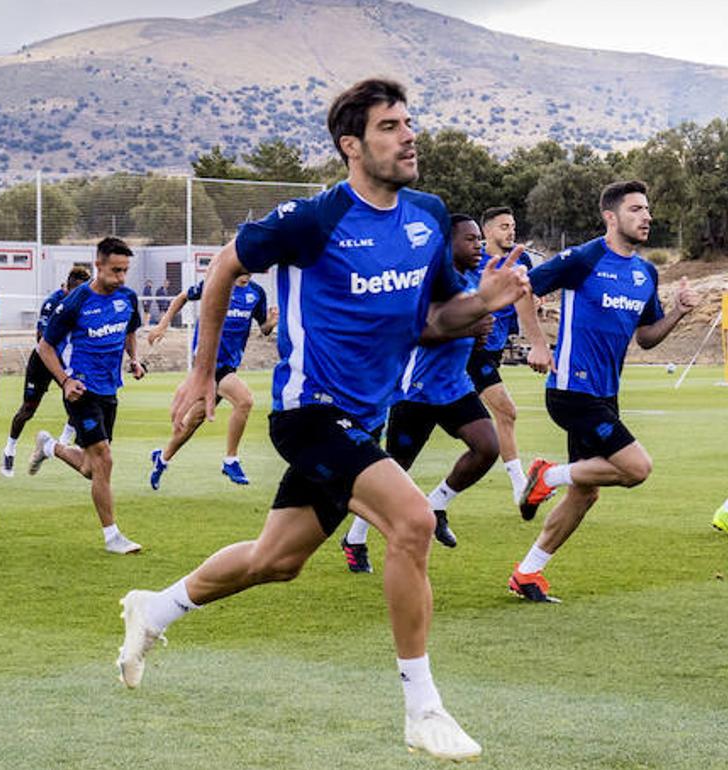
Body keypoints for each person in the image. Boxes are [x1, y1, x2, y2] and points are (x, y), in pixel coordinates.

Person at [113, 79, 529, 762]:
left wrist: (485, 300)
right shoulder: (314, 218)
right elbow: (224, 267)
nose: (409, 135)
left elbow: (435, 321)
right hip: (309, 414)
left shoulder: (428, 216)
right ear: (352, 145)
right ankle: (423, 709)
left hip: (362, 421)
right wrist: (200, 370)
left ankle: (153, 609)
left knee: (275, 561)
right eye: (391, 126)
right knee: (414, 520)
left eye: (409, 122)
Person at [510, 180, 699, 602]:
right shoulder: (583, 258)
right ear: (610, 217)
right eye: (636, 209)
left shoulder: (646, 273)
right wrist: (539, 344)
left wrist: (680, 313)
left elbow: (647, 337)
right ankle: (547, 474)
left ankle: (527, 573)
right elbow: (522, 288)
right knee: (636, 468)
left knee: (587, 492)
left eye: (647, 209)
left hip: (605, 394)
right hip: (571, 390)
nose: (647, 216)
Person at [340, 215, 500, 572]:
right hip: (416, 390)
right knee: (394, 469)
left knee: (488, 446)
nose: (479, 245)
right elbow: (421, 333)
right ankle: (354, 538)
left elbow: (471, 334)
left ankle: (438, 503)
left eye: (480, 240)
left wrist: (480, 335)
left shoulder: (474, 281)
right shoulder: (427, 281)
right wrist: (470, 327)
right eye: (471, 239)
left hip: (455, 387)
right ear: (448, 244)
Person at [26, 237, 147, 554]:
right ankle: (112, 537)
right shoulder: (76, 301)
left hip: (110, 390)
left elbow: (130, 330)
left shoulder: (128, 298)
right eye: (115, 270)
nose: (121, 277)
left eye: (125, 271)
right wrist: (65, 380)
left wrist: (133, 359)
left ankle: (50, 446)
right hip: (81, 391)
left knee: (93, 469)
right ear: (98, 265)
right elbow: (44, 347)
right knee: (104, 460)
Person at [146, 274, 278, 488]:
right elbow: (182, 297)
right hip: (207, 362)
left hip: (229, 364)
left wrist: (271, 322)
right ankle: (231, 460)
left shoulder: (256, 293)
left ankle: (162, 458)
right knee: (244, 400)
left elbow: (263, 328)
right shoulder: (217, 282)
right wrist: (162, 325)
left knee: (192, 423)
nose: (247, 272)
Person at [468, 207, 535, 503]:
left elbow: (527, 295)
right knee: (506, 411)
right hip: (470, 351)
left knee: (420, 431)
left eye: (513, 225)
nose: (511, 231)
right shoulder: (472, 262)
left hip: (493, 352)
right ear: (487, 232)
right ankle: (519, 486)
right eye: (504, 226)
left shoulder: (524, 260)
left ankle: (437, 502)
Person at [0, 266, 89, 477]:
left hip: (66, 361)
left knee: (79, 399)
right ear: (67, 288)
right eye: (76, 292)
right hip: (43, 361)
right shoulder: (52, 303)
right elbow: (41, 339)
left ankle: (61, 443)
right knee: (28, 409)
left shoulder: (86, 302)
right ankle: (9, 450)